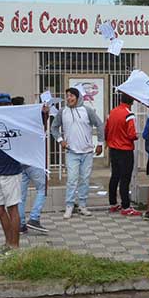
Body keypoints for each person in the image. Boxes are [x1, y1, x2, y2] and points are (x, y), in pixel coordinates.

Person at [50, 87, 104, 219]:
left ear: (78, 97)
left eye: (71, 96)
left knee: (85, 179)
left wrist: (100, 143)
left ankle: (82, 205)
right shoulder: (63, 112)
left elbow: (100, 124)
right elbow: (54, 127)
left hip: (87, 152)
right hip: (71, 152)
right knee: (72, 180)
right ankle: (69, 206)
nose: (69, 98)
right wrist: (60, 140)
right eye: (67, 96)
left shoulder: (87, 110)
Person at [14, 96, 50, 234]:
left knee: (20, 196)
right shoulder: (28, 119)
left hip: (19, 162)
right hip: (33, 161)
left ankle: (21, 224)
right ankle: (34, 218)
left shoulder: (11, 121)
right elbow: (41, 128)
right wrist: (44, 114)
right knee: (42, 188)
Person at [105, 93, 141, 216]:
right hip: (125, 150)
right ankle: (126, 206)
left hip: (113, 149)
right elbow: (131, 134)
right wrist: (136, 136)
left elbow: (107, 130)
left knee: (114, 176)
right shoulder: (129, 115)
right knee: (125, 178)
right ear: (132, 101)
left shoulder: (112, 112)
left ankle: (113, 204)